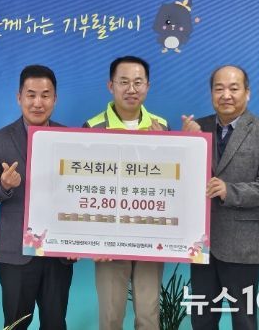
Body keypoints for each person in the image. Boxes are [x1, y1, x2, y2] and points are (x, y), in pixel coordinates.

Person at [0, 65, 74, 330]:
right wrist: (3, 185)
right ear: (18, 97)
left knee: (55, 324)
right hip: (15, 252)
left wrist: (76, 241)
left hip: (58, 252)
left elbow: (79, 194)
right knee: (15, 324)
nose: (38, 102)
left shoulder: (70, 138)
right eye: (31, 95)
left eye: (45, 95)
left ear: (55, 98)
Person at [189, 65, 259, 330]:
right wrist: (184, 141)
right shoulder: (199, 127)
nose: (226, 95)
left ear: (247, 93)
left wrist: (230, 191)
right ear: (211, 94)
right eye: (219, 88)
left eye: (233, 88)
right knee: (201, 318)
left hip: (243, 244)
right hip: (202, 243)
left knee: (243, 320)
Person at [84, 55, 170, 330]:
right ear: (111, 86)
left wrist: (165, 147)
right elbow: (82, 185)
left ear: (147, 86)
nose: (131, 89)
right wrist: (93, 239)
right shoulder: (93, 127)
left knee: (148, 316)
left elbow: (172, 184)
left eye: (138, 82)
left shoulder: (161, 126)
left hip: (150, 234)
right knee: (111, 316)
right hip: (109, 238)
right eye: (123, 82)